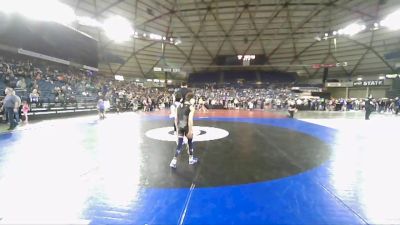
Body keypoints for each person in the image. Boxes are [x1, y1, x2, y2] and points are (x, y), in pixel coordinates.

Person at [170, 92, 198, 168]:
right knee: (190, 142)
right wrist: (190, 130)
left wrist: (177, 129)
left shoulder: (178, 107)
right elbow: (190, 120)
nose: (195, 101)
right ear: (191, 99)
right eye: (194, 99)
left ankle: (173, 161)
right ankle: (191, 159)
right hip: (186, 127)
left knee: (179, 144)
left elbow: (176, 119)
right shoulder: (191, 107)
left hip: (180, 127)